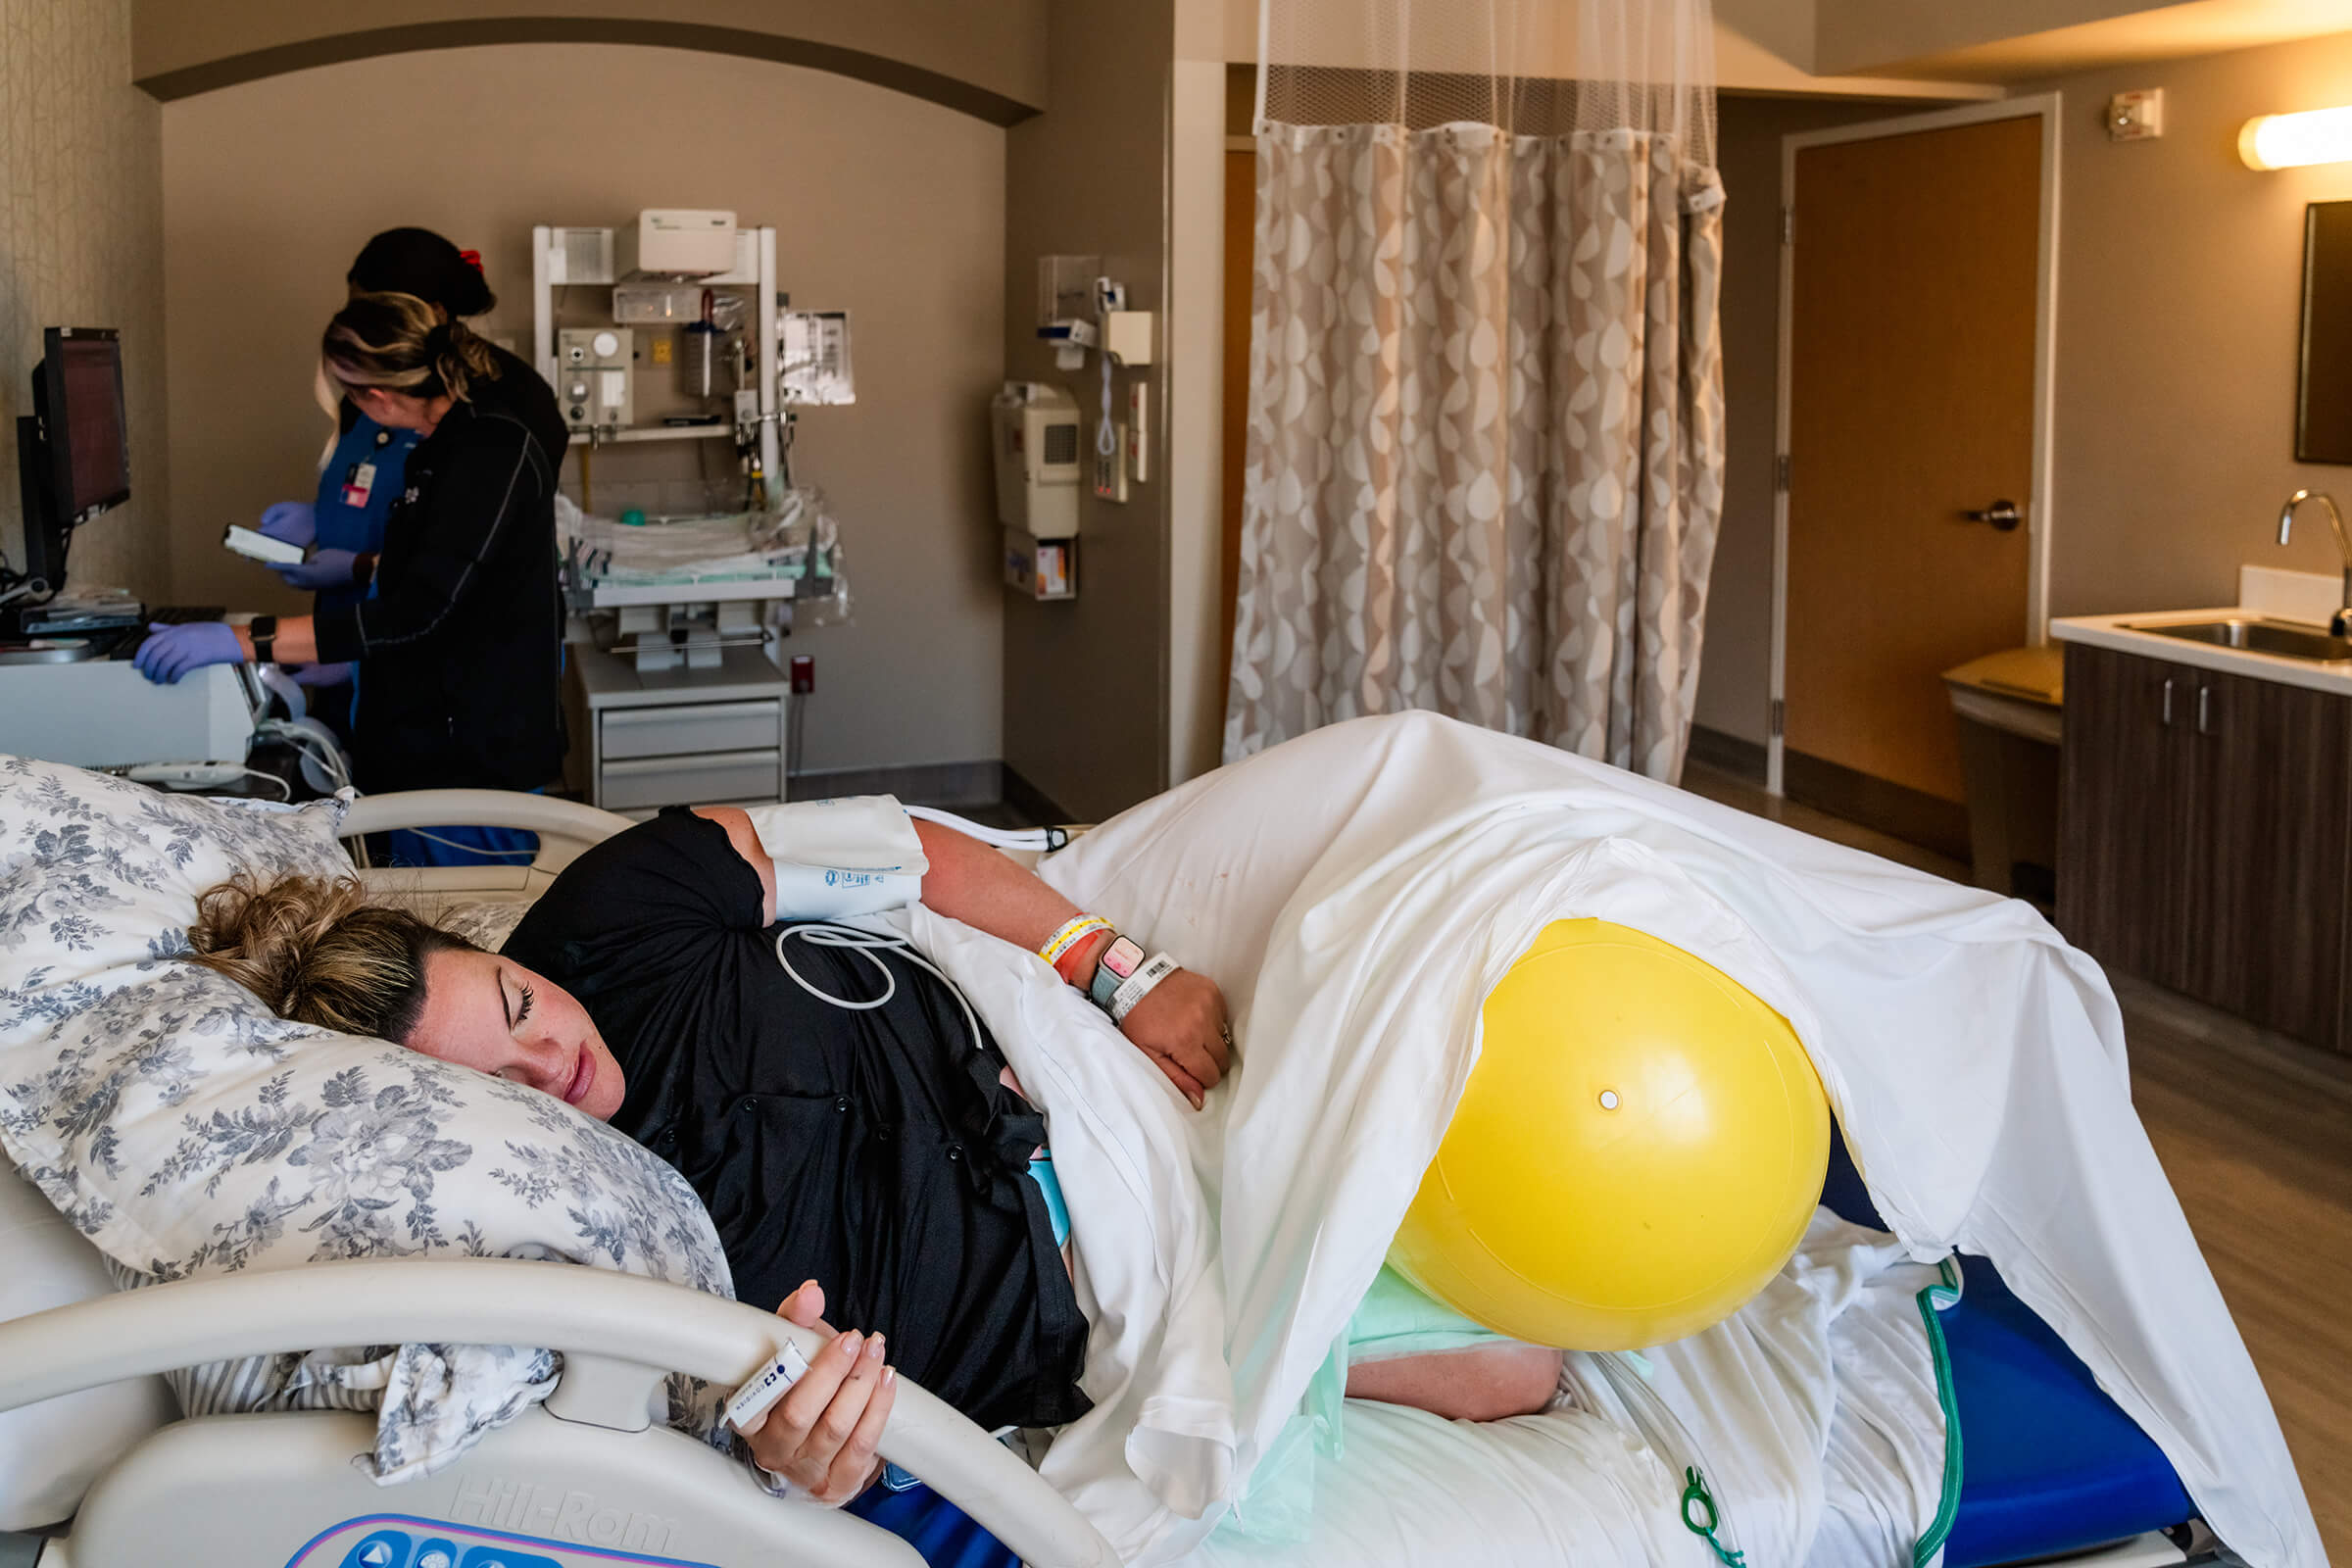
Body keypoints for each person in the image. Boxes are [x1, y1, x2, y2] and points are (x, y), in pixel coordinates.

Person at [183, 804, 1565, 1517]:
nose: (555, 1065)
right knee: (1520, 1367)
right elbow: (730, 1495)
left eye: (520, 1009)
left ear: (500, 956)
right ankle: (1324, 1337)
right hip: (1097, 1293)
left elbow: (900, 854)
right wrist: (806, 1466)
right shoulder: (563, 1249)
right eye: (499, 1084)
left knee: (1447, 914)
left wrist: (1115, 968)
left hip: (1097, 1057)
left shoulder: (614, 918)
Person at [137, 291, 570, 833]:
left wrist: (245, 640)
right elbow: (434, 582)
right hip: (424, 736)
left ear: (376, 396)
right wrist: (349, 661)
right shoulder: (440, 446)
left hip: (468, 756)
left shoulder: (490, 452)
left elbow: (419, 611)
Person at [249, 229, 499, 737]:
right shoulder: (369, 409)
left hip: (429, 683)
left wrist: (358, 570)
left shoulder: (482, 440)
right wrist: (321, 520)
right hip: (356, 644)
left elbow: (457, 578)